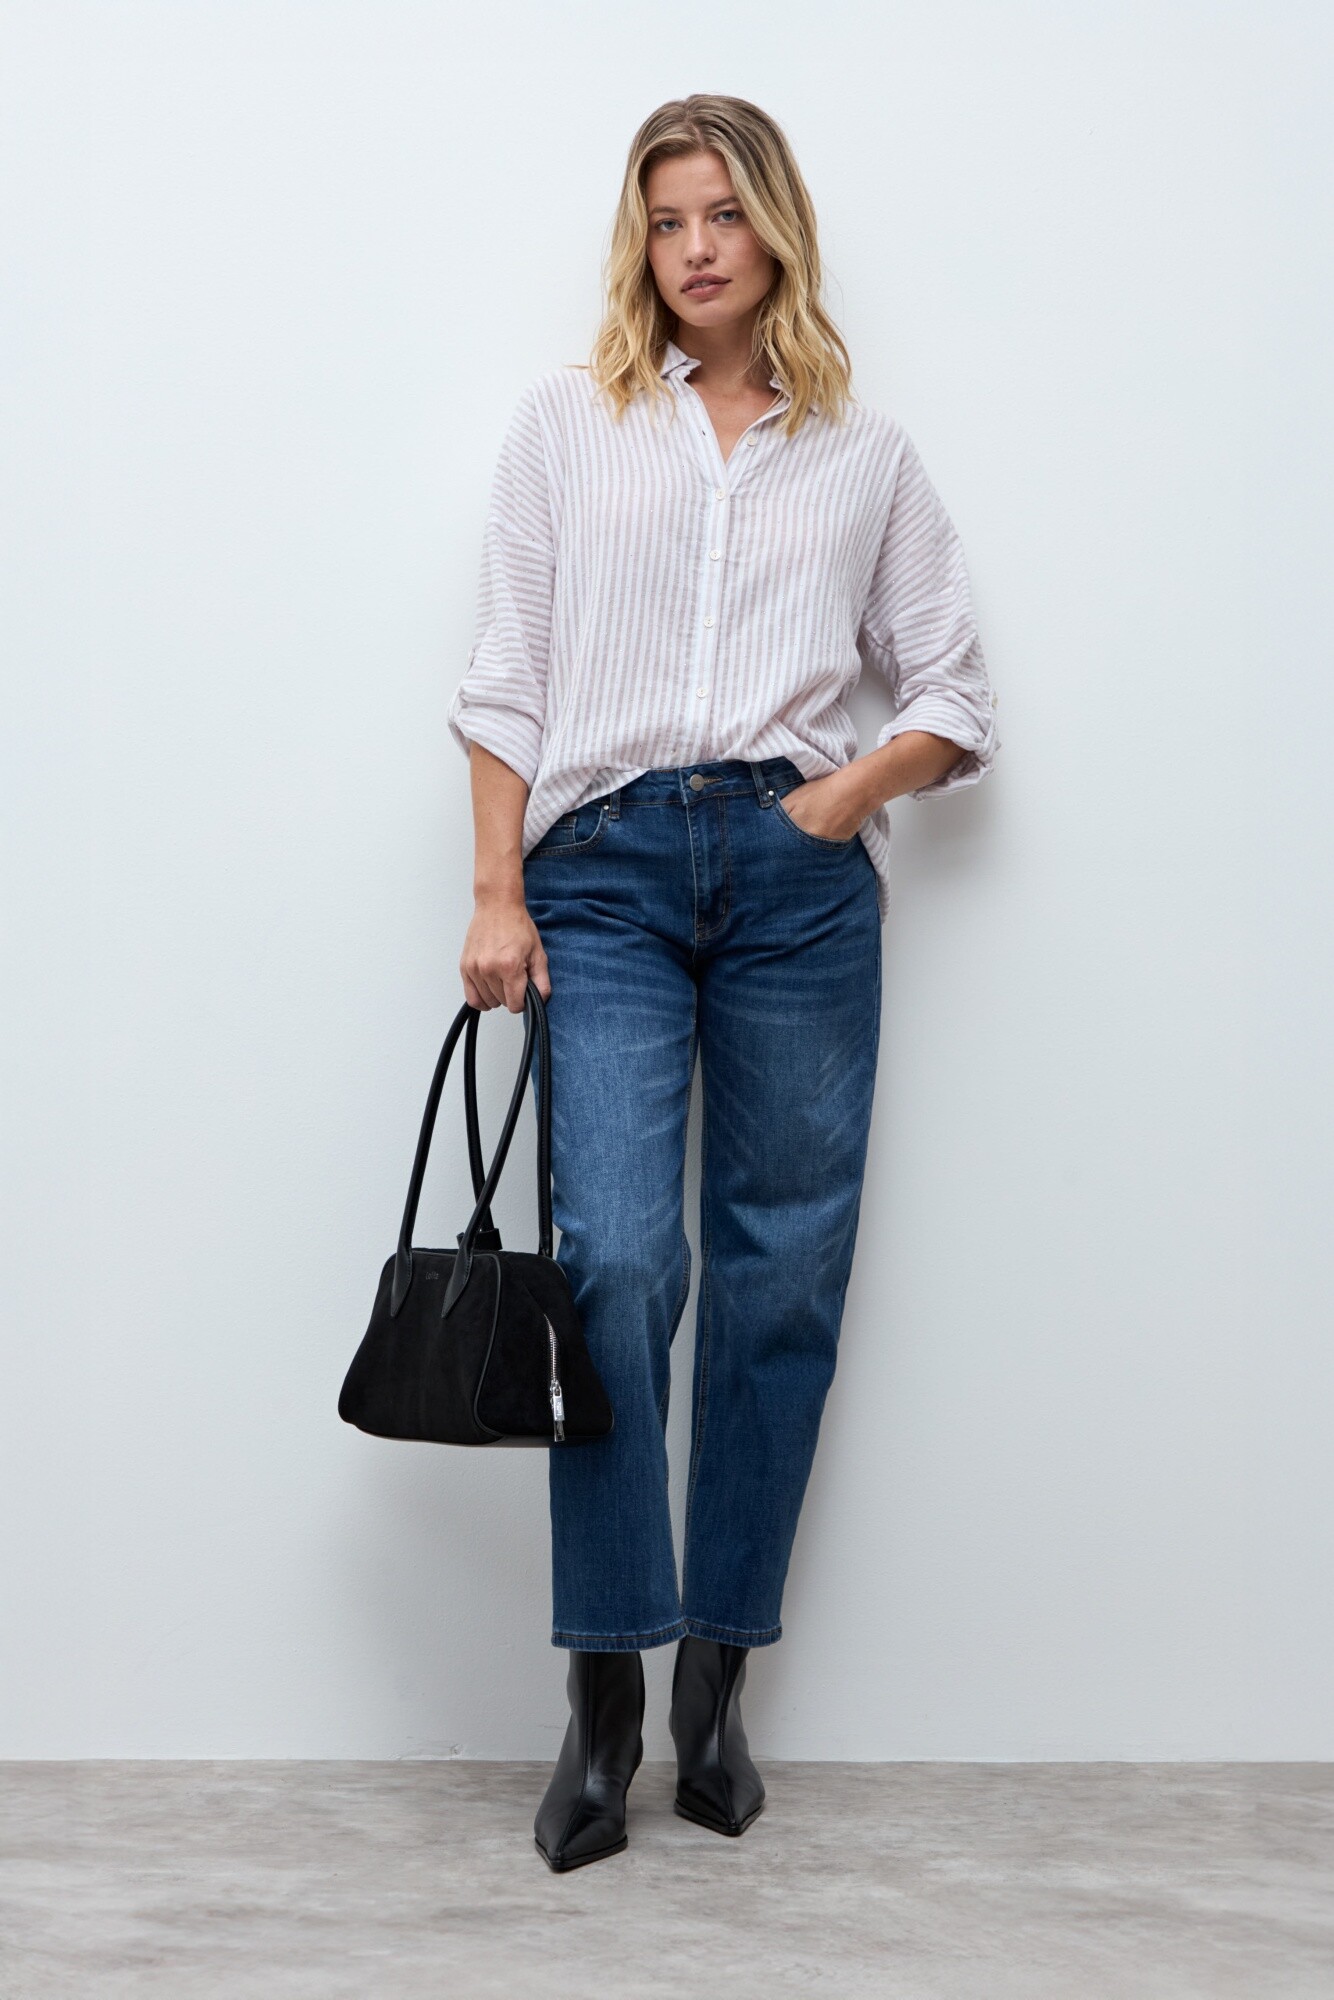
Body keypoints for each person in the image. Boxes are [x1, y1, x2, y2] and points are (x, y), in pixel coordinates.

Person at [447, 93, 1000, 1872]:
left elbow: (955, 694)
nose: (695, 248)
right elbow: (506, 676)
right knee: (614, 1263)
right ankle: (603, 1687)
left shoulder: (866, 457)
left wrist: (836, 796)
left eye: (723, 214)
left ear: (775, 232)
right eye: (667, 218)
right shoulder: (568, 424)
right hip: (599, 874)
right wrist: (495, 891)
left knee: (779, 1282)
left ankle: (717, 1677)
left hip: (794, 885)